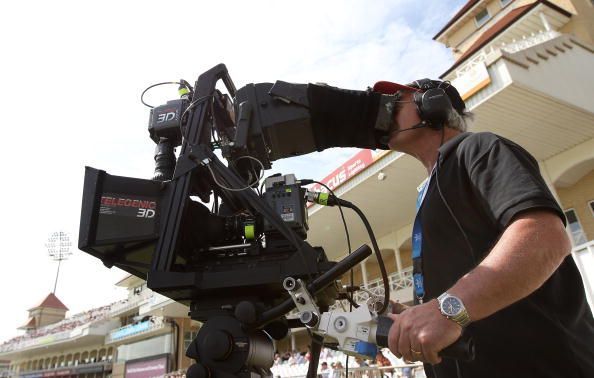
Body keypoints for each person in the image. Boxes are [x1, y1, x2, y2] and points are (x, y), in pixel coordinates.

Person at [372, 78, 594, 377]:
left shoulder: (479, 148)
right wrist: (417, 315)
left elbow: (544, 236)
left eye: (397, 100)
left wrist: (446, 310)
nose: (385, 109)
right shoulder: (431, 190)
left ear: (433, 104)